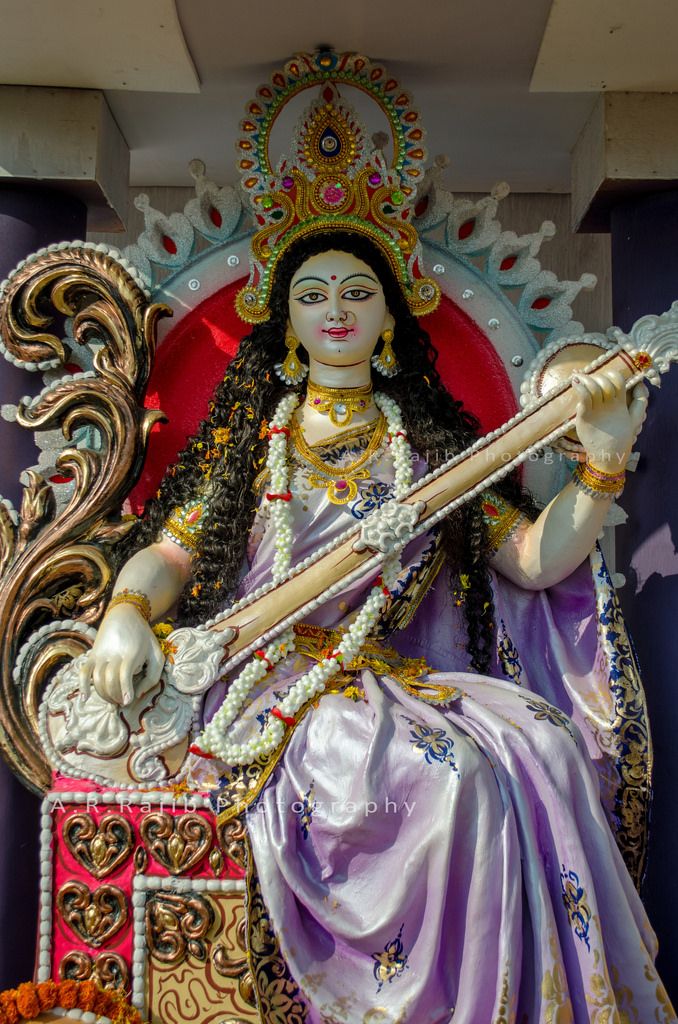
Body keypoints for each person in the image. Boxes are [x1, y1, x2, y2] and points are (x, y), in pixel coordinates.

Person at [75, 58, 672, 1021]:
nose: (337, 310)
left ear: (392, 320)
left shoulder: (431, 451)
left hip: (404, 683)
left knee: (548, 747)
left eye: (359, 292)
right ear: (288, 323)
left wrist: (601, 466)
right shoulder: (251, 444)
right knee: (458, 787)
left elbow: (532, 561)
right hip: (280, 685)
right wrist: (125, 612)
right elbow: (171, 555)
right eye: (313, 295)